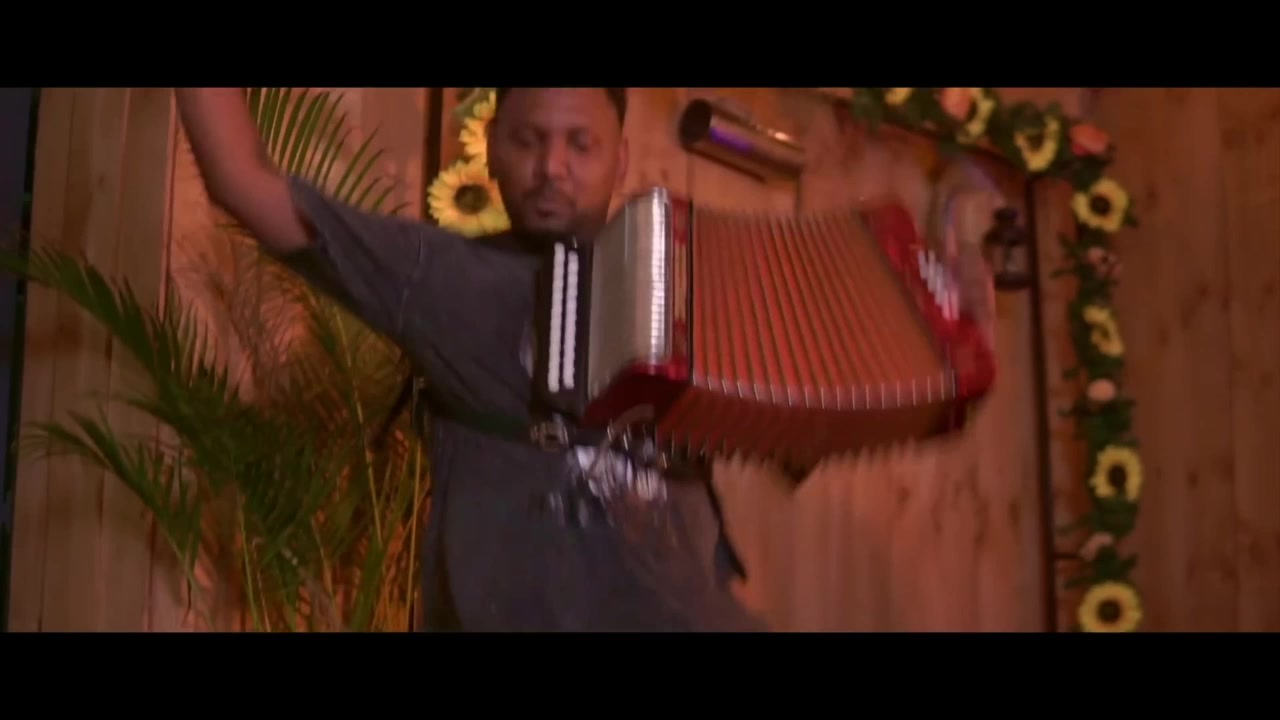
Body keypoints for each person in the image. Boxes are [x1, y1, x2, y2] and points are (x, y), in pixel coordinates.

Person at [175, 87, 767, 632]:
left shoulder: (676, 293)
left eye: (580, 144)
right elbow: (242, 182)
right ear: (492, 149)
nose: (552, 166)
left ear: (621, 160)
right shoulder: (441, 278)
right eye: (528, 140)